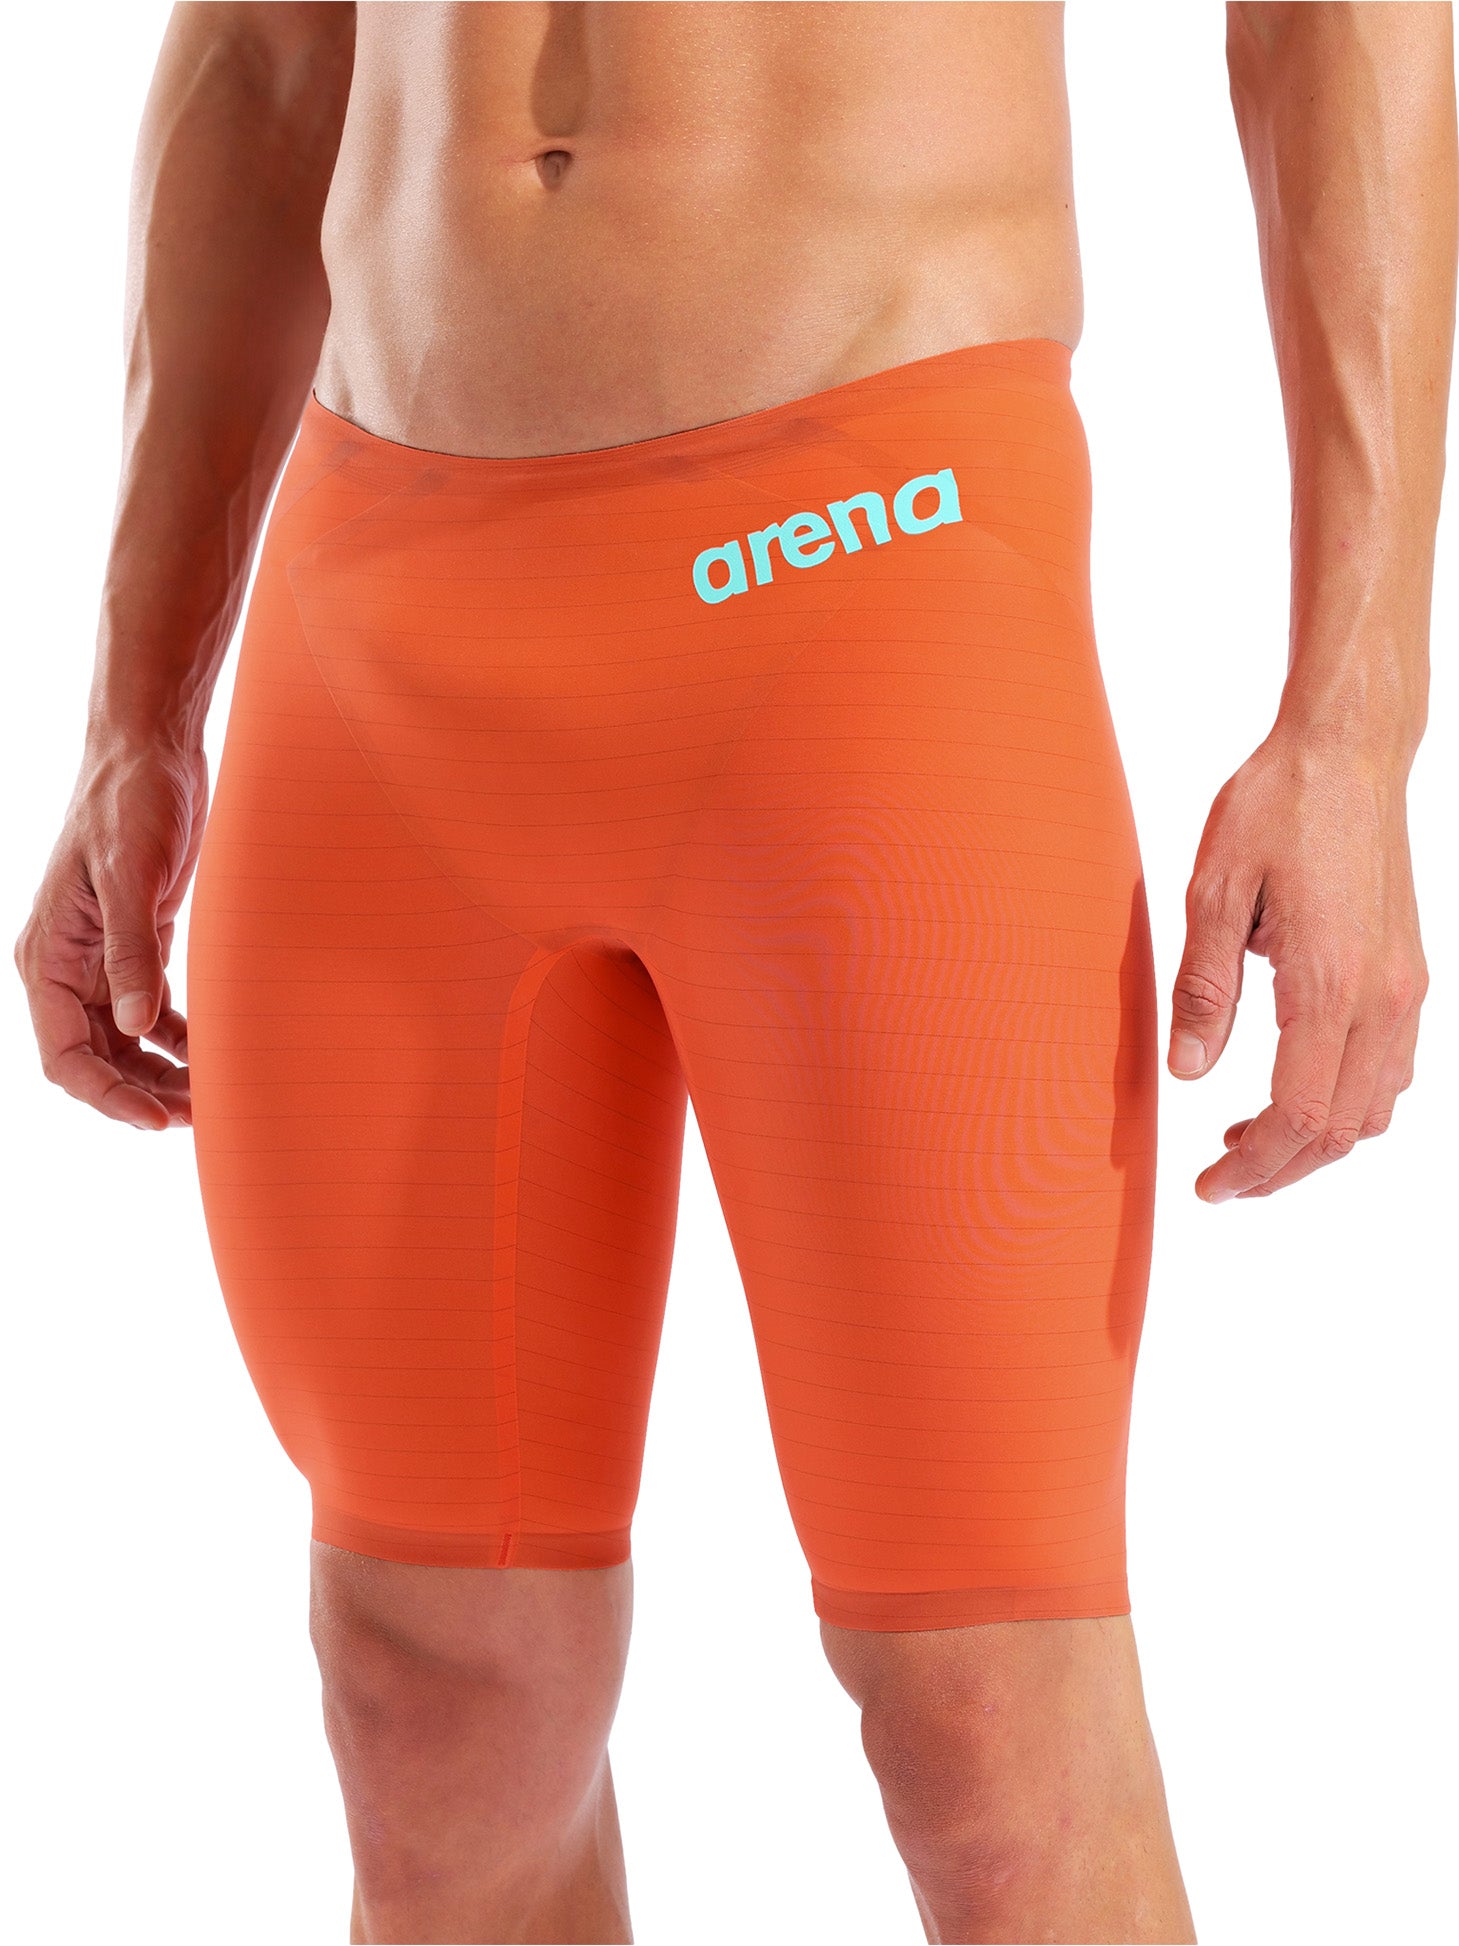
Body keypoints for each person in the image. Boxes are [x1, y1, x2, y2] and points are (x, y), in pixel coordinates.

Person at [13, 4, 1453, 1941]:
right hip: (380, 626)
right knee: (435, 1708)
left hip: (865, 563)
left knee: (988, 1733)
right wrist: (137, 703)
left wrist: (1354, 727)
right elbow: (271, 52)